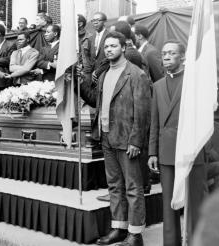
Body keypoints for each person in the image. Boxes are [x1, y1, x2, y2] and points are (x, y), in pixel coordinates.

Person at [80, 31, 151, 246]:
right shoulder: (103, 75)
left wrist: (136, 141)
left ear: (123, 48)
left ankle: (135, 234)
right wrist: (80, 81)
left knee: (133, 188)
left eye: (113, 46)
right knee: (114, 186)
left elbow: (142, 111)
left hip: (127, 139)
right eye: (107, 47)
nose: (109, 49)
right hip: (106, 138)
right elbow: (95, 101)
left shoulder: (136, 74)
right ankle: (118, 228)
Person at [148, 40, 208, 246]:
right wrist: (152, 152)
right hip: (165, 153)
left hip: (190, 151)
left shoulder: (194, 83)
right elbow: (154, 122)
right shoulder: (156, 86)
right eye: (164, 53)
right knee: (168, 205)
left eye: (171, 53)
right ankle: (170, 242)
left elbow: (205, 119)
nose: (165, 57)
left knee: (195, 202)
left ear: (182, 57)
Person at [83, 12, 109, 82]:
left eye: (98, 20)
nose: (95, 23)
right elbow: (88, 56)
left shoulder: (110, 36)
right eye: (93, 20)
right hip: (92, 76)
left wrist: (98, 71)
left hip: (106, 73)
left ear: (104, 22)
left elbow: (109, 57)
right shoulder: (91, 38)